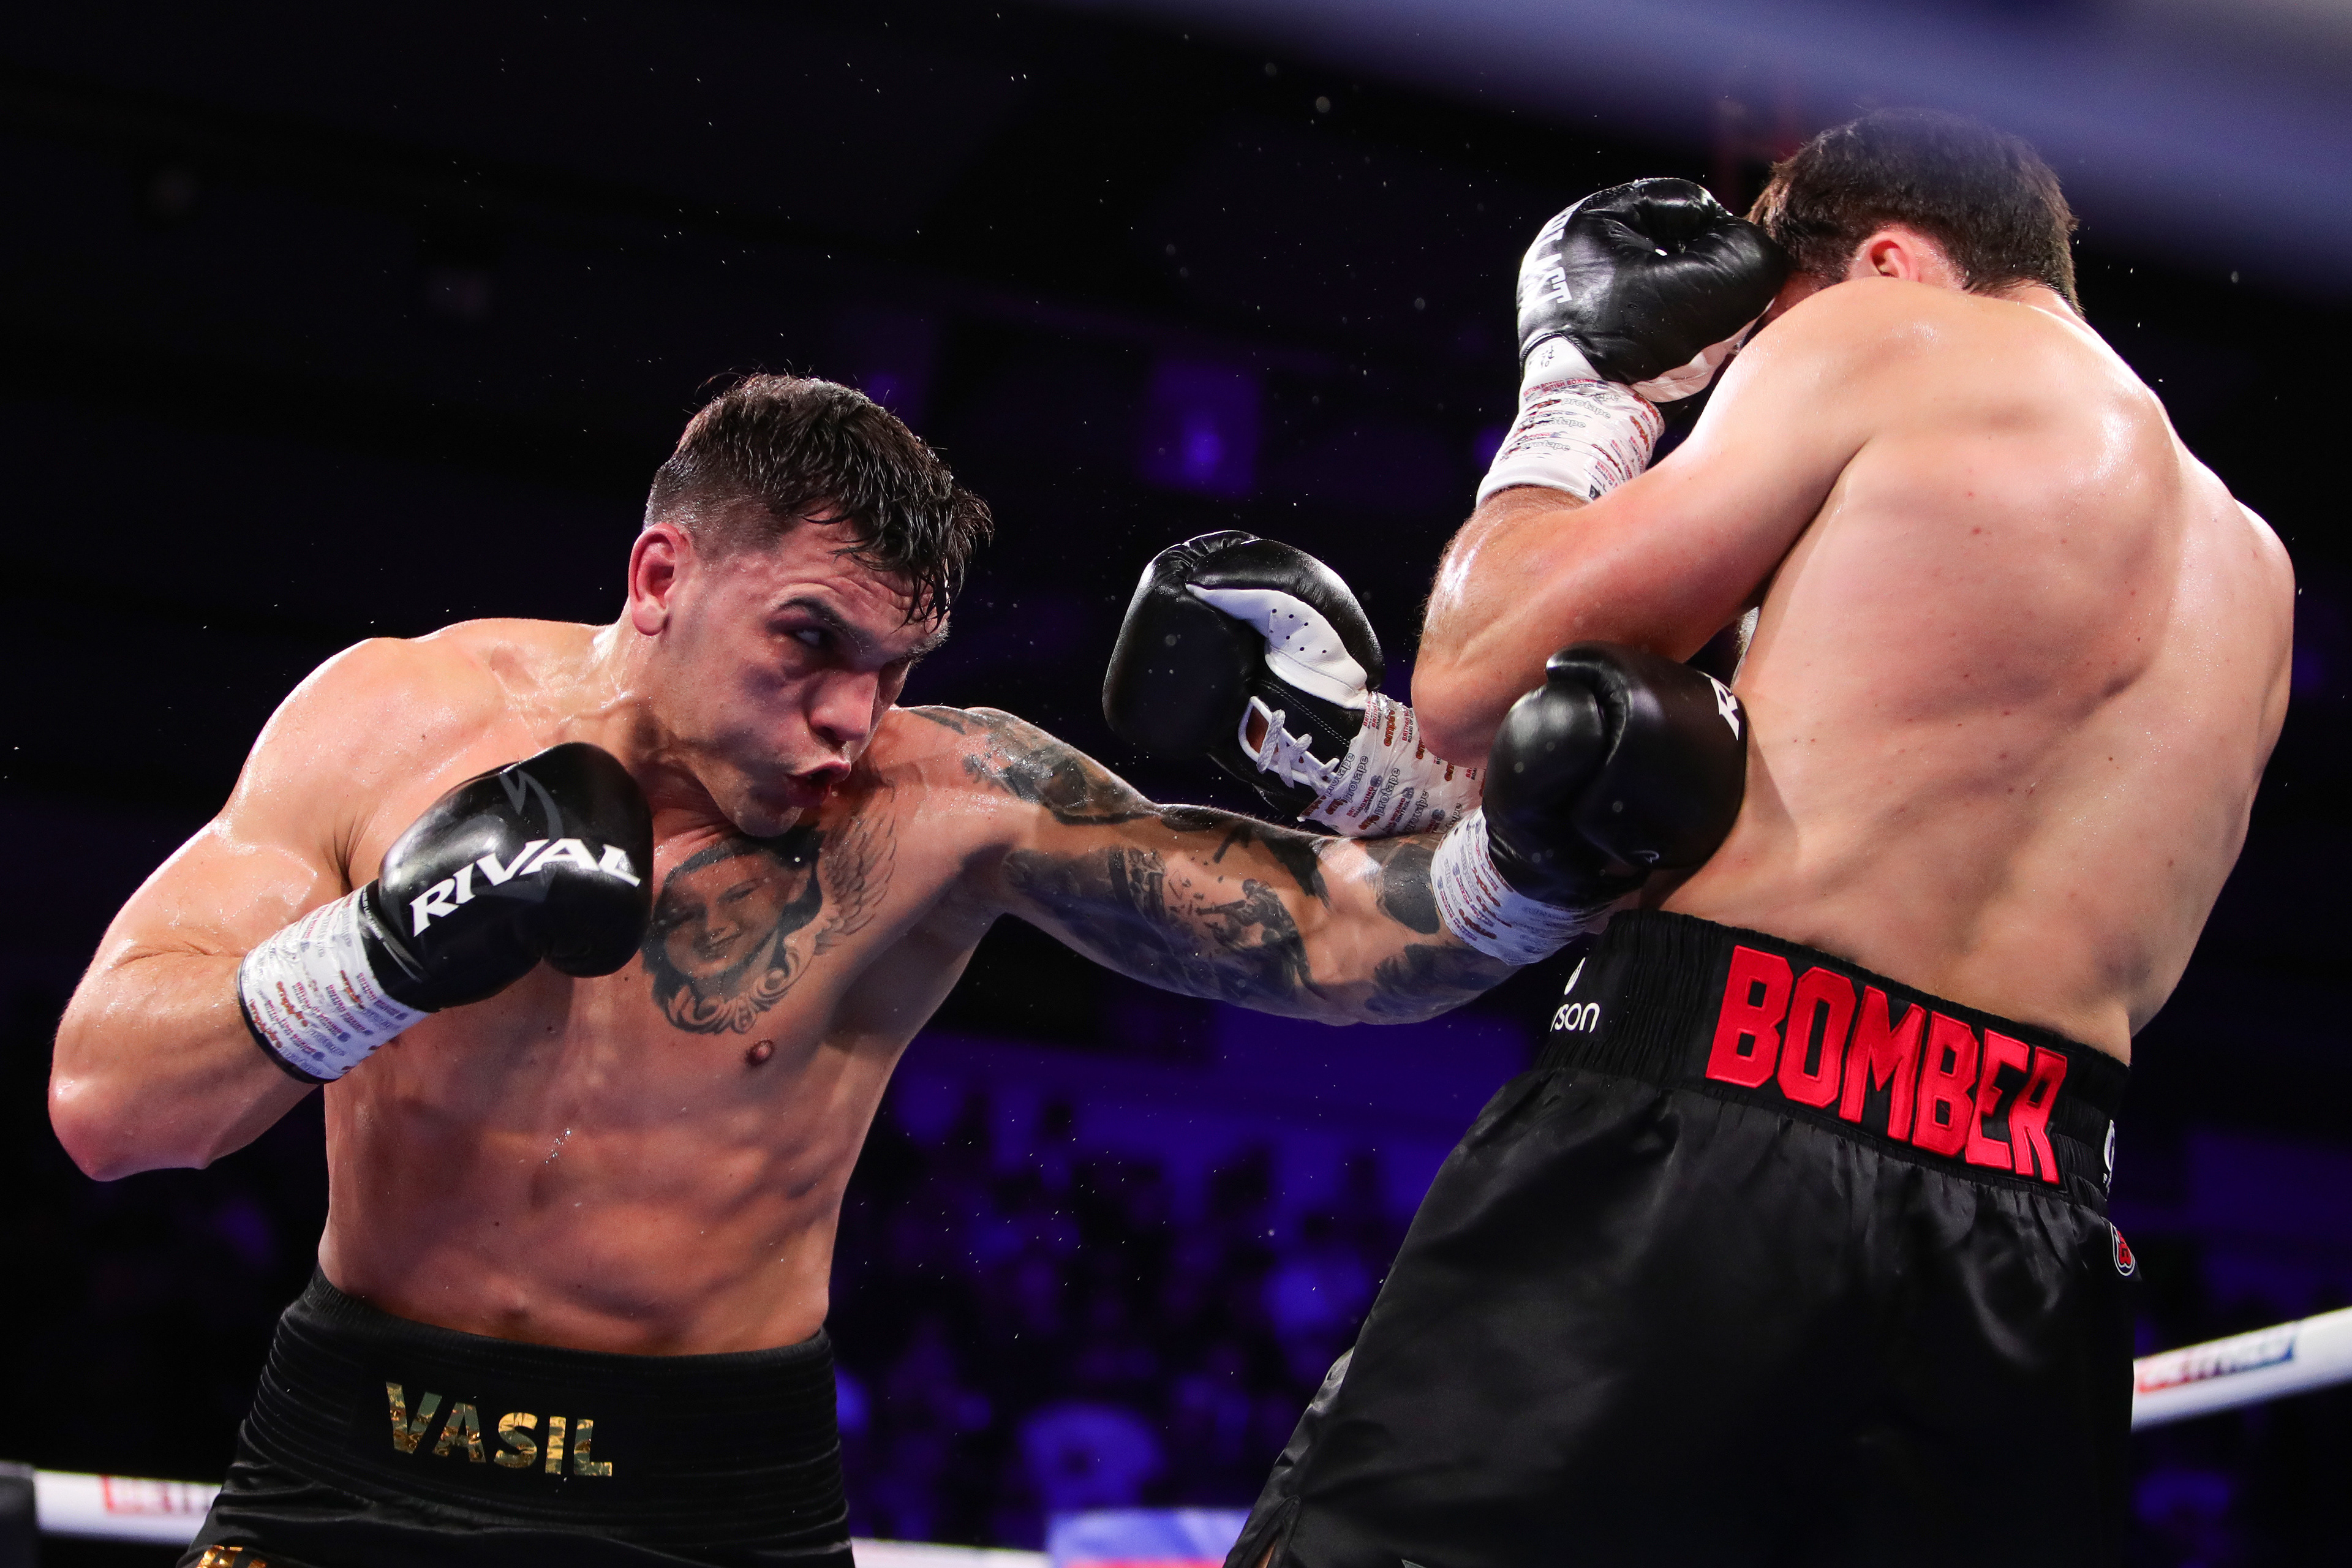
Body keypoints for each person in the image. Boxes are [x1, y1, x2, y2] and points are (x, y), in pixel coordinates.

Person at [49, 372, 1740, 1568]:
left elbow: (1322, 936)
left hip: (711, 1494)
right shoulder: (384, 722)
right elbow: (111, 1104)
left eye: (894, 663)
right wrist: (382, 950)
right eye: (810, 643)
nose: (854, 715)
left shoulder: (947, 803)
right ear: (662, 578)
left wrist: (1523, 870)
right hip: (356, 1456)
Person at [1218, 112, 2294, 1566]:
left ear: (1891, 261)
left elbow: (1472, 671)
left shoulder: (1890, 336)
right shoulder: (2254, 572)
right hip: (2035, 1232)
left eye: (1763, 326)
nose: (1748, 368)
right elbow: (1876, 820)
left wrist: (1576, 395)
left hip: (1710, 1144)